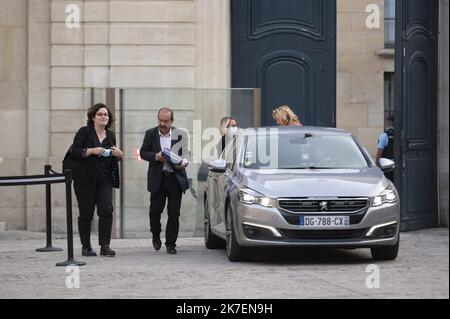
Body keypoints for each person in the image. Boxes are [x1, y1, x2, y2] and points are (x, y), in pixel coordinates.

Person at [71, 103, 124, 257]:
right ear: (93, 117)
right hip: (84, 180)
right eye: (100, 114)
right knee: (86, 212)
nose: (103, 117)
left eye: (106, 115)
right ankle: (86, 246)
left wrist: (119, 155)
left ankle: (105, 245)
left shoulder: (111, 135)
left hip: (105, 179)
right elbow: (74, 151)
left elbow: (113, 156)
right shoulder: (85, 132)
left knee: (106, 210)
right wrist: (91, 150)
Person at [140, 107, 189, 255]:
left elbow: (186, 153)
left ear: (172, 121)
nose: (162, 123)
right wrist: (156, 156)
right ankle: (156, 235)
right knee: (155, 212)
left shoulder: (180, 134)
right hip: (158, 179)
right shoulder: (150, 133)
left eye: (166, 121)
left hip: (175, 178)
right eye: (160, 120)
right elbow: (143, 152)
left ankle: (170, 244)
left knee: (174, 213)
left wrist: (184, 162)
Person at [376, 116, 395, 181]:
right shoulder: (398, 134)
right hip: (397, 166)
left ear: (388, 122)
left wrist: (377, 165)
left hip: (387, 166)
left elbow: (379, 152)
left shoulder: (384, 135)